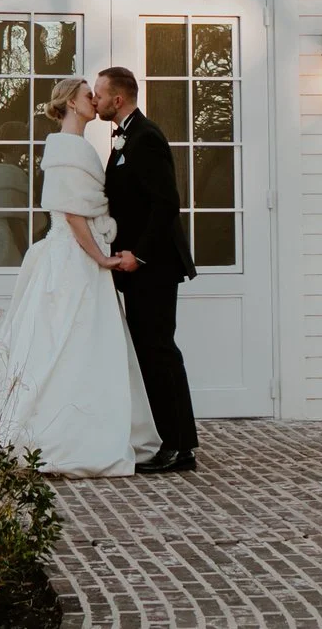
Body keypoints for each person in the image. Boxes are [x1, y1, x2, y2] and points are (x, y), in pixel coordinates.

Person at [0, 76, 161, 476]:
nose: (95, 100)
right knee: (67, 342)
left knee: (82, 344)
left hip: (76, 255)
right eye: (89, 95)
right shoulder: (68, 147)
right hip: (74, 257)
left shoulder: (78, 146)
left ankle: (88, 425)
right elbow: (71, 213)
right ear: (71, 101)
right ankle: (66, 435)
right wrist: (101, 258)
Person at [93, 64, 199, 474]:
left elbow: (166, 203)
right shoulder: (125, 138)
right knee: (151, 352)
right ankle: (173, 442)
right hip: (136, 268)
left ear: (117, 99)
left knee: (160, 352)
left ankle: (179, 447)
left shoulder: (146, 137)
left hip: (153, 267)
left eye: (100, 95)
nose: (96, 101)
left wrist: (139, 254)